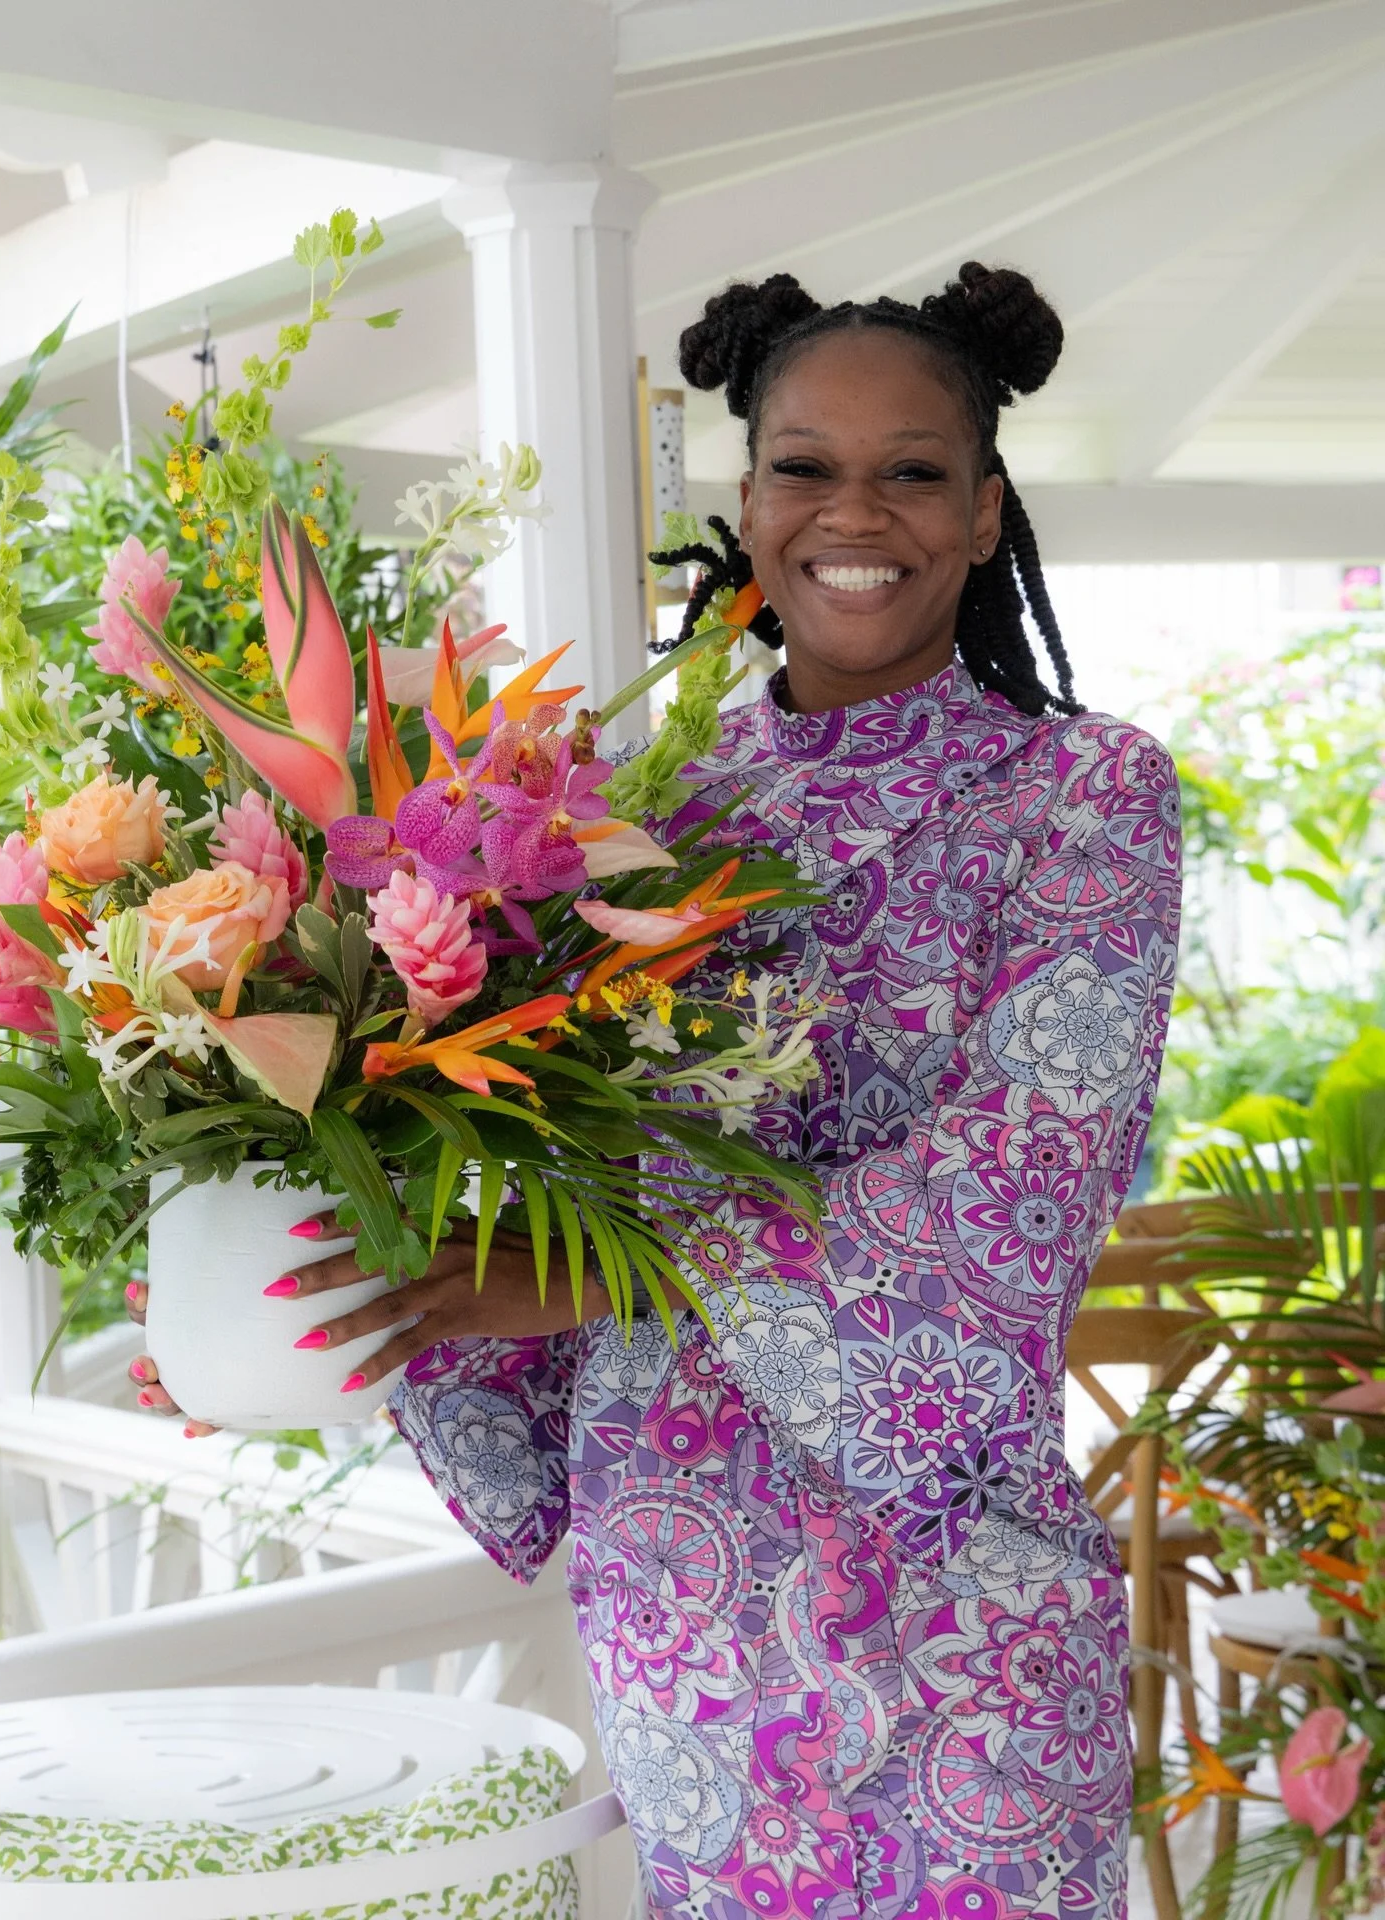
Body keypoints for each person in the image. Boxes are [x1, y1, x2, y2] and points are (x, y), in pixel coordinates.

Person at [131, 263, 1182, 1919]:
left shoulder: (1084, 796)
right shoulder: (626, 802)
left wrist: (586, 1269)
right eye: (804, 465)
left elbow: (1015, 1195)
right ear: (745, 501)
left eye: (914, 471)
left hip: (957, 1618)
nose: (857, 511)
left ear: (986, 516)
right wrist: (293, 1271)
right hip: (684, 1614)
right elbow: (508, 1152)